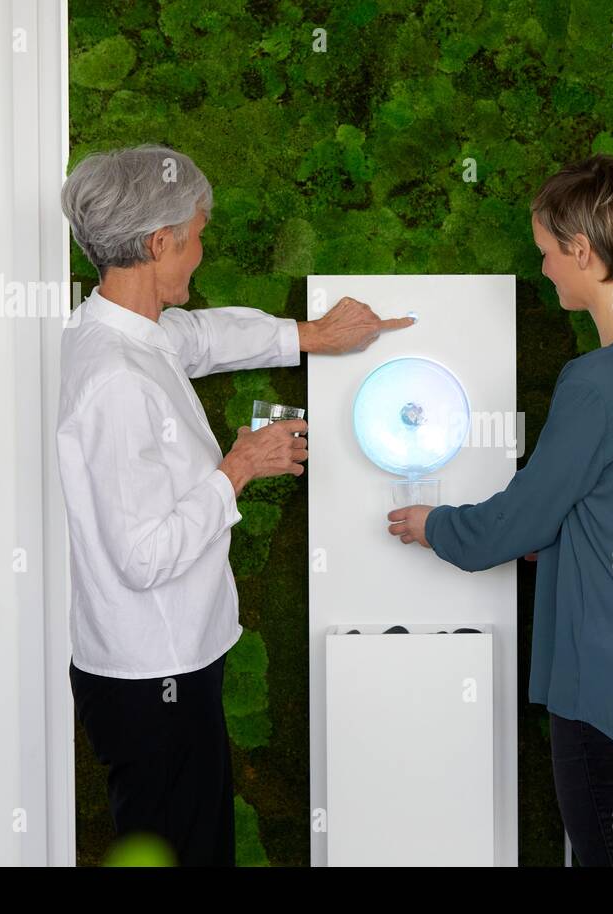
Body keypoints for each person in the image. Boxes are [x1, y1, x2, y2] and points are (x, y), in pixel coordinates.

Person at [58, 143, 412, 865]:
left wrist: (311, 337)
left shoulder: (118, 331)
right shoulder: (116, 381)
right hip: (154, 677)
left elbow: (201, 337)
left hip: (163, 667)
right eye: (196, 236)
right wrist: (241, 467)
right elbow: (143, 555)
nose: (200, 253)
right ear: (161, 243)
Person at [387, 154, 613, 866]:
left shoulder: (595, 383)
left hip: (610, 697)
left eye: (546, 253)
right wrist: (576, 541)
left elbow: (517, 522)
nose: (544, 270)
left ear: (584, 251)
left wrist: (433, 525)